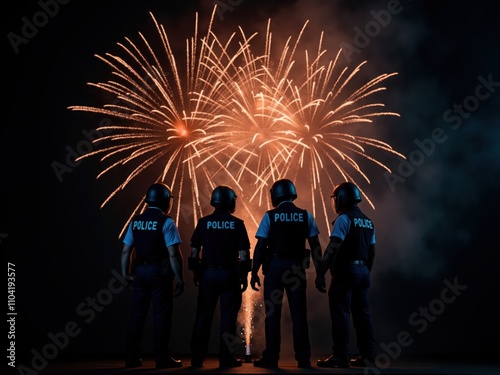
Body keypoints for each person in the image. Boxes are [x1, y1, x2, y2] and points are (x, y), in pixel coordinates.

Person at [250, 178, 321, 369]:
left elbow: (260, 246)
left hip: (274, 267)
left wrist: (254, 272)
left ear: (275, 194)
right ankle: (304, 359)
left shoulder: (270, 216)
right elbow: (315, 246)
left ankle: (271, 357)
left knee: (272, 315)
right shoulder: (306, 215)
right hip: (297, 269)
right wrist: (320, 272)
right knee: (299, 314)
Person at [121, 182, 185, 369]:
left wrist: (125, 274)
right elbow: (173, 254)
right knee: (162, 316)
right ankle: (162, 358)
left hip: (139, 272)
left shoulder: (136, 221)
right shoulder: (167, 222)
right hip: (159, 273)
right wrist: (180, 278)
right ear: (166, 200)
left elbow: (126, 251)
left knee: (137, 315)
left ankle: (131, 357)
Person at [315, 181, 377, 368]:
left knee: (340, 314)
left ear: (340, 198)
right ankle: (368, 357)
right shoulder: (368, 221)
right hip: (363, 272)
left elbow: (333, 247)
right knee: (363, 315)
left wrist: (321, 273)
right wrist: (365, 272)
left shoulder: (344, 219)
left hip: (345, 273)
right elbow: (372, 252)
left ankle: (340, 357)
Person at [188, 186, 251, 369]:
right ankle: (226, 359)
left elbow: (194, 253)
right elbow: (245, 255)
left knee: (203, 317)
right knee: (228, 319)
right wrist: (244, 276)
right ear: (231, 201)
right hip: (229, 275)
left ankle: (197, 359)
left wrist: (196, 274)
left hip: (207, 274)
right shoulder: (238, 224)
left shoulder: (203, 222)